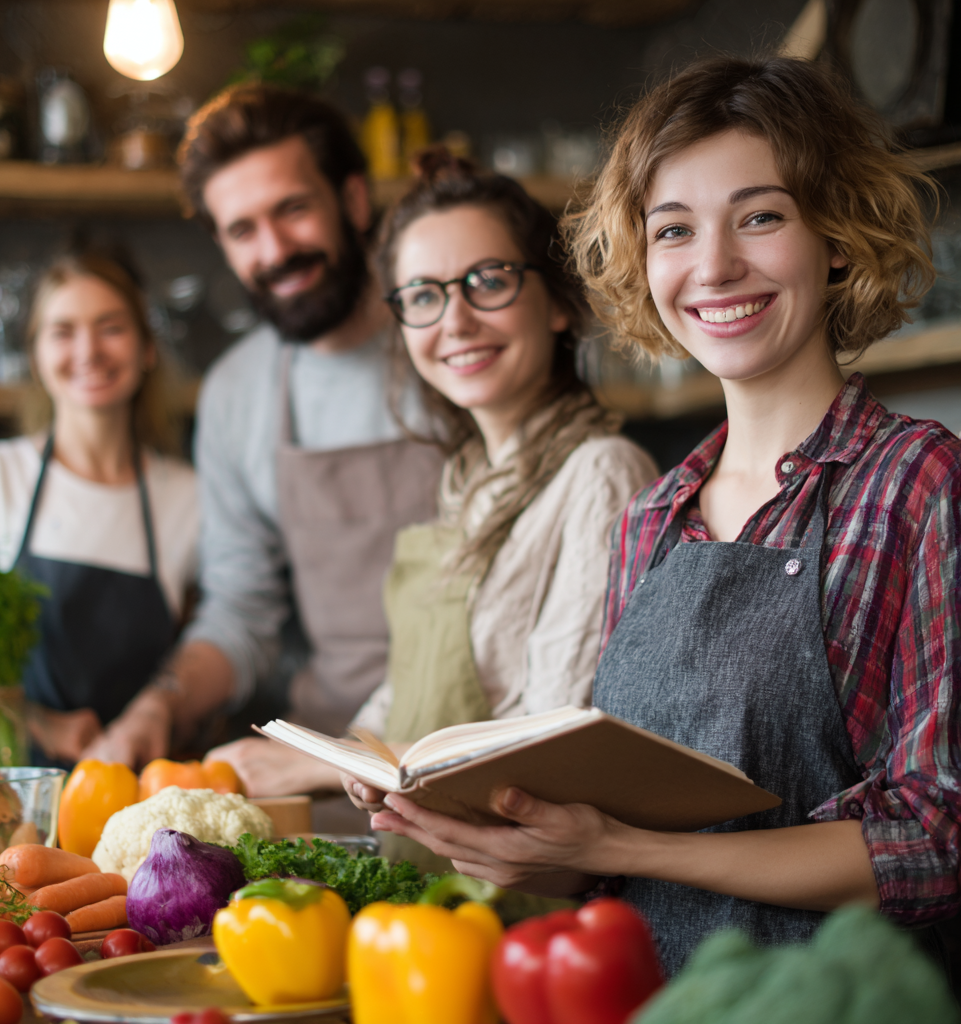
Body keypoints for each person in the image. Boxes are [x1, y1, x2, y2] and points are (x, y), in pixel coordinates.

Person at [344, 56, 961, 977]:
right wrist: (505, 834)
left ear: (834, 237)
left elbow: (934, 840)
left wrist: (622, 849)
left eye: (759, 217)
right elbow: (612, 856)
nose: (712, 266)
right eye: (673, 230)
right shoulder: (653, 519)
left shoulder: (918, 481)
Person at [224, 149, 657, 806]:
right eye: (424, 295)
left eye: (488, 280)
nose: (455, 321)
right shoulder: (467, 480)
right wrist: (343, 750)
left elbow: (557, 740)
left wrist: (347, 764)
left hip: (530, 885)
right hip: (434, 859)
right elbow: (409, 682)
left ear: (560, 304)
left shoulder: (602, 475)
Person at [87, 85, 444, 784]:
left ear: (354, 200)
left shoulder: (453, 347)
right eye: (243, 230)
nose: (275, 250)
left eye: (294, 209)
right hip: (321, 772)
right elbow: (241, 610)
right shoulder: (236, 394)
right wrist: (160, 704)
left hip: (475, 752)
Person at [0, 253, 198, 767]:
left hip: (139, 803)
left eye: (111, 328)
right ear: (35, 355)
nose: (88, 350)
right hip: (1, 792)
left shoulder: (189, 498)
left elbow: (223, 637)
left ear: (147, 348)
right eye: (62, 331)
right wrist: (36, 721)